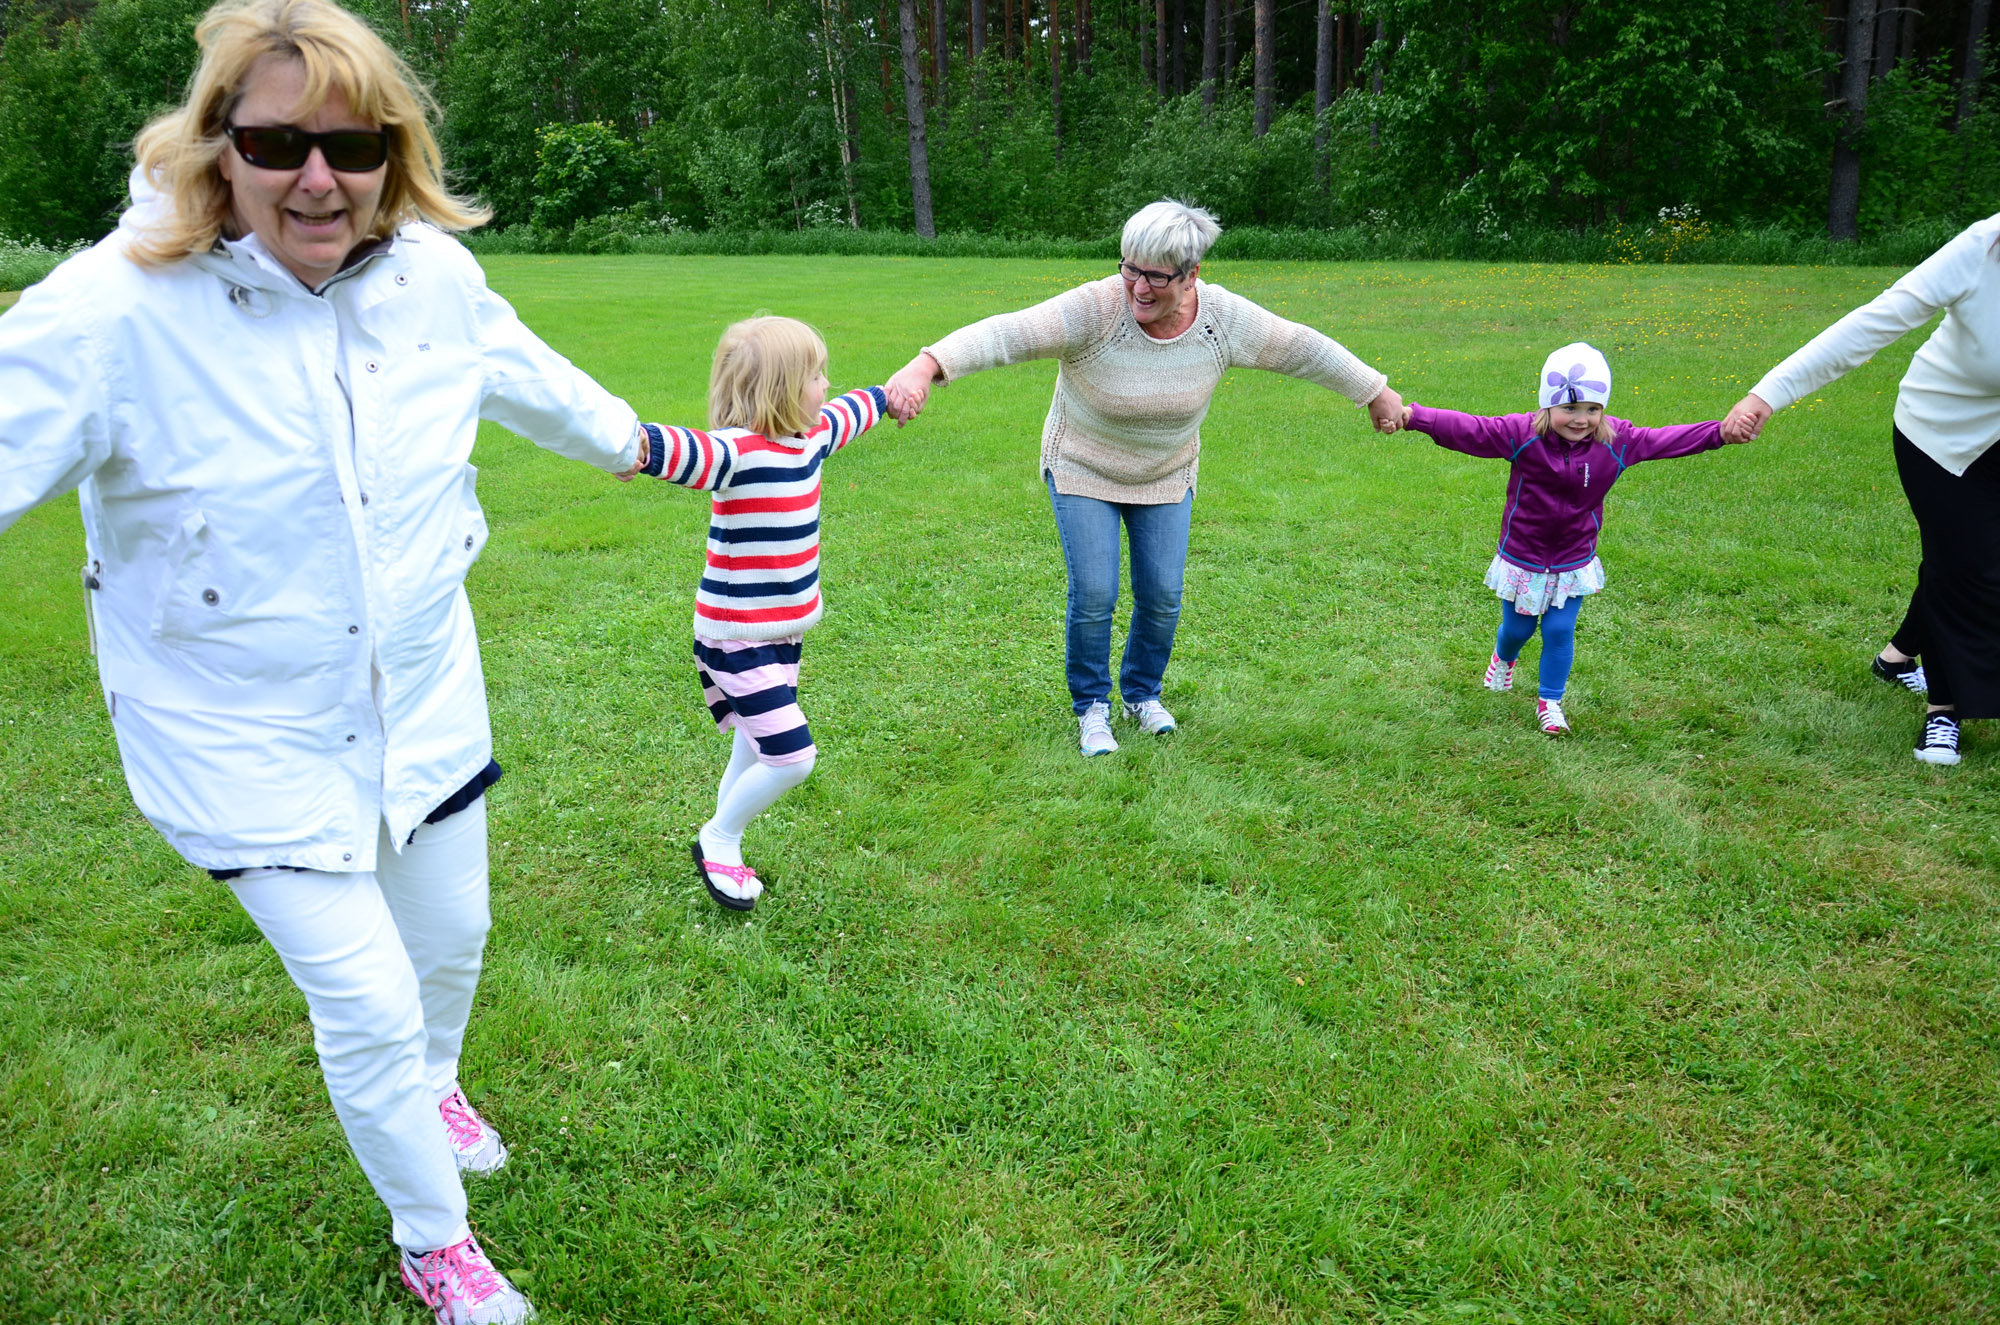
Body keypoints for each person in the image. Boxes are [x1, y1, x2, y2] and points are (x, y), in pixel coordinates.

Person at [0, 1, 646, 1319]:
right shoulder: (110, 313)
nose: (317, 177)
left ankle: (436, 1079)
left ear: (392, 153)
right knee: (362, 991)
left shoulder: (431, 280)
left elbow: (539, 384)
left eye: (350, 146)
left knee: (452, 934)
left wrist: (659, 448)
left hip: (419, 694)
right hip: (235, 731)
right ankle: (434, 1239)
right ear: (215, 145)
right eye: (278, 140)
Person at [884, 199, 1405, 756]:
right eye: (1129, 268)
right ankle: (1092, 706)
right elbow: (1008, 333)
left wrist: (1373, 390)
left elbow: (1301, 347)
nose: (1138, 287)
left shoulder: (1222, 320)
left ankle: (1141, 693)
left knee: (1161, 596)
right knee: (1096, 593)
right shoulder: (1096, 309)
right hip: (1083, 466)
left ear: (1192, 275)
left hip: (1165, 472)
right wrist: (926, 365)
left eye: (1156, 276)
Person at [625, 317, 888, 910]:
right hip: (733, 637)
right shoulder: (735, 453)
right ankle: (718, 836)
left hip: (783, 632)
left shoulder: (812, 435)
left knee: (753, 742)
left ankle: (724, 842)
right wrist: (635, 447)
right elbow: (684, 450)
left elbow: (851, 412)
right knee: (793, 755)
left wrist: (890, 397)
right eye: (815, 375)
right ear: (779, 389)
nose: (826, 384)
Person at [1725, 217, 2000, 767]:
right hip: (1939, 433)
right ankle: (1943, 710)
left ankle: (1897, 658)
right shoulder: (1978, 249)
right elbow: (1874, 322)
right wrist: (1768, 393)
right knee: (1964, 565)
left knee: (1966, 556)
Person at [1399, 343, 1743, 735]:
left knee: (1560, 630)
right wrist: (1414, 417)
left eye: (1592, 410)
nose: (1581, 420)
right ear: (1548, 406)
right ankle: (1503, 657)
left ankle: (1550, 703)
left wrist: (1719, 433)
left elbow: (1667, 439)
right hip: (1524, 556)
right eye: (1570, 409)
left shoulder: (1618, 442)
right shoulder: (1522, 434)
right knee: (1518, 630)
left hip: (1573, 559)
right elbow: (1471, 428)